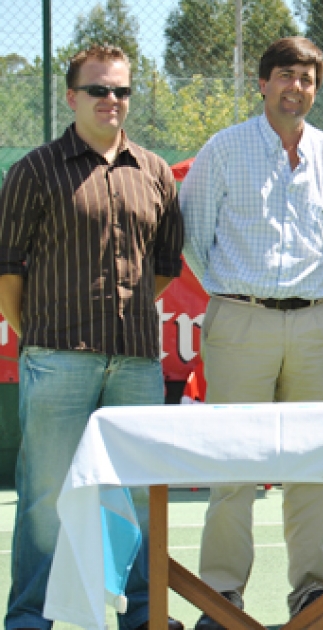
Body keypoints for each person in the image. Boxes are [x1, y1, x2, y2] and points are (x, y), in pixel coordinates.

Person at [0, 45, 184, 630]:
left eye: (122, 91)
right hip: (56, 360)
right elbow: (8, 272)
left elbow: (163, 267)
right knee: (46, 499)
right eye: (100, 89)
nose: (113, 101)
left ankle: (142, 615)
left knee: (138, 499)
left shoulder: (154, 172)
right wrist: (40, 335)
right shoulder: (32, 170)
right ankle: (31, 616)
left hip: (135, 363)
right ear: (72, 95)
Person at [179, 36, 323, 630]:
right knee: (233, 469)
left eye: (306, 79)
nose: (296, 88)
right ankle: (222, 597)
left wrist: (305, 299)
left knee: (315, 468)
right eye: (285, 76)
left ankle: (313, 596)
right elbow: (192, 235)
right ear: (263, 83)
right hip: (240, 322)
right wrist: (238, 294)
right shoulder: (224, 149)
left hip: (313, 327)